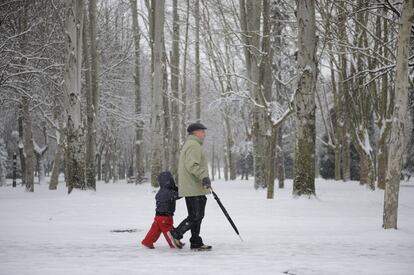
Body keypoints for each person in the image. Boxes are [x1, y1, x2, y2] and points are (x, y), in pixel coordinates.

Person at [167, 122, 212, 251]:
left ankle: (196, 241)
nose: (204, 133)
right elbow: (192, 165)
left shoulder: (191, 144)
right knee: (196, 216)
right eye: (202, 131)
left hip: (193, 187)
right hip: (194, 187)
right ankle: (176, 234)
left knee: (196, 215)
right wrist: (204, 176)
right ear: (195, 132)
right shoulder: (193, 145)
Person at [141, 171, 183, 249]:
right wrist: (184, 191)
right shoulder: (167, 192)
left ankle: (147, 241)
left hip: (159, 216)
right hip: (165, 216)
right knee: (169, 231)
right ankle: (173, 243)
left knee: (155, 230)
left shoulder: (162, 191)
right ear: (169, 181)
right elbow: (177, 195)